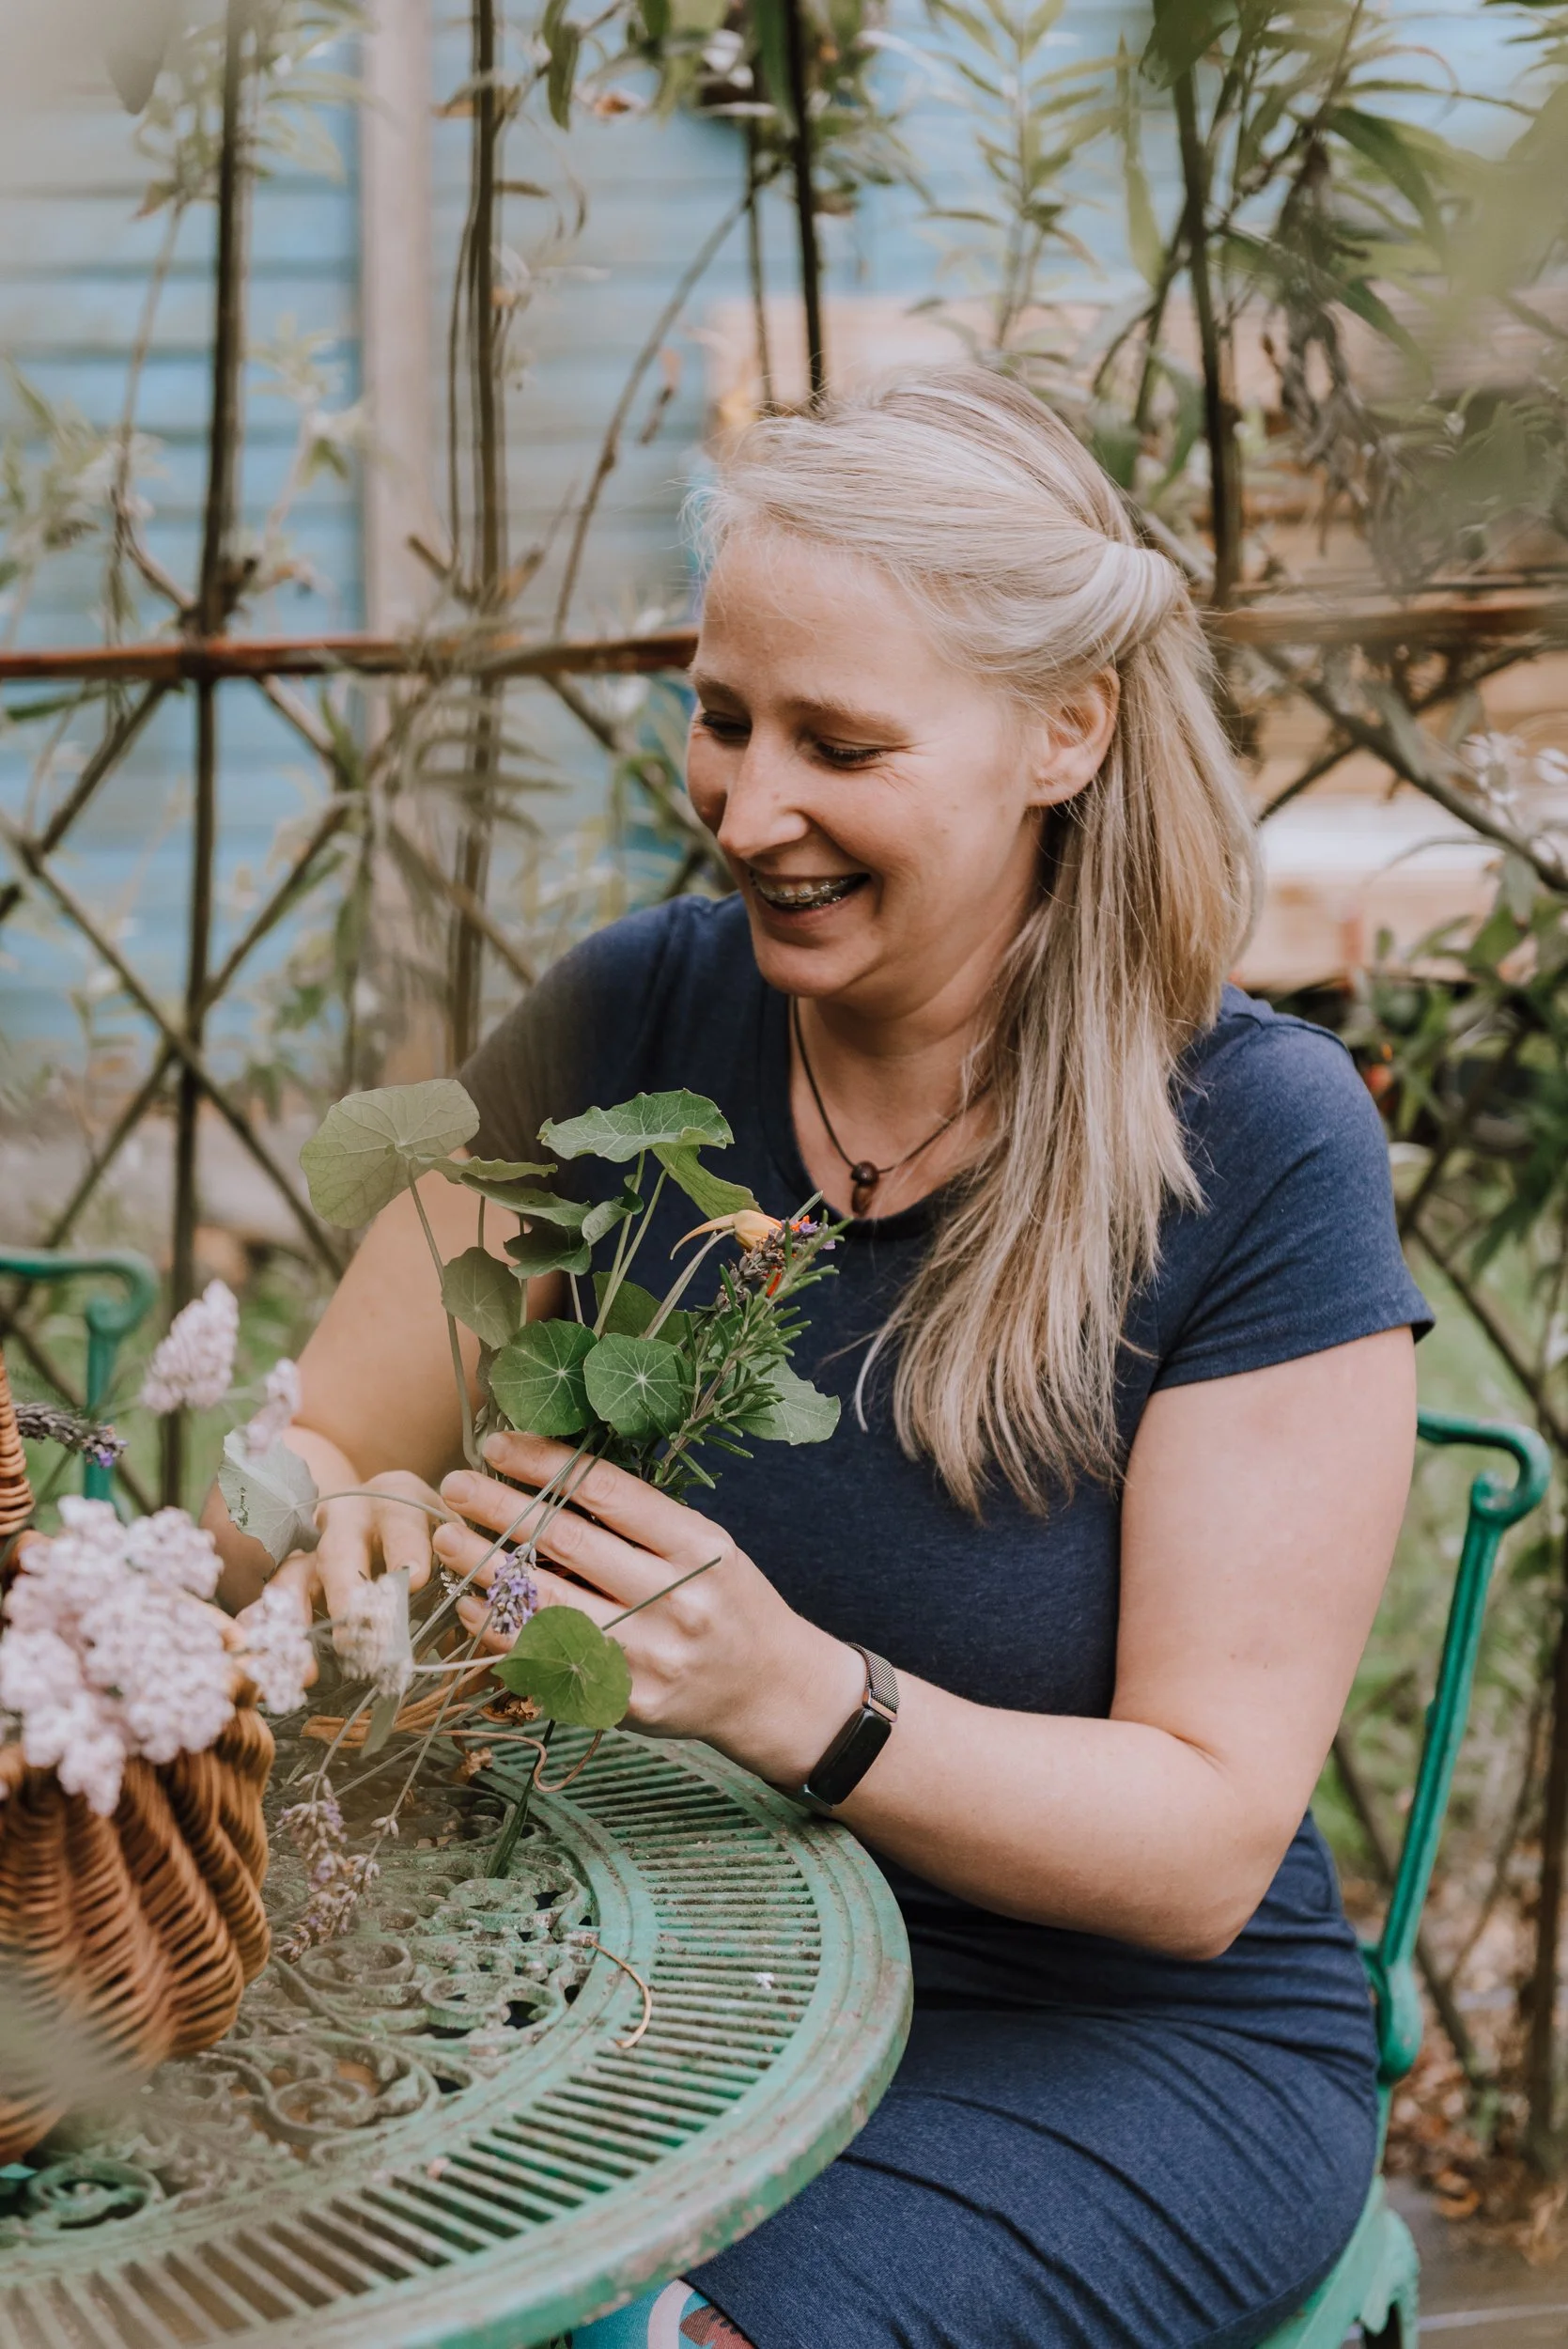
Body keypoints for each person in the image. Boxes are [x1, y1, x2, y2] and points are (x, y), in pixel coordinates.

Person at [210, 368, 1429, 2349]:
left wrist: (796, 1691)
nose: (748, 806)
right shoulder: (630, 1018)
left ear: (1066, 733)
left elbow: (1204, 1845)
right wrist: (341, 1515)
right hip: (626, 1971)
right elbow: (320, 1441)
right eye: (720, 718)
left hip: (1082, 2041)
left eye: (838, 743)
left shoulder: (1256, 1139)